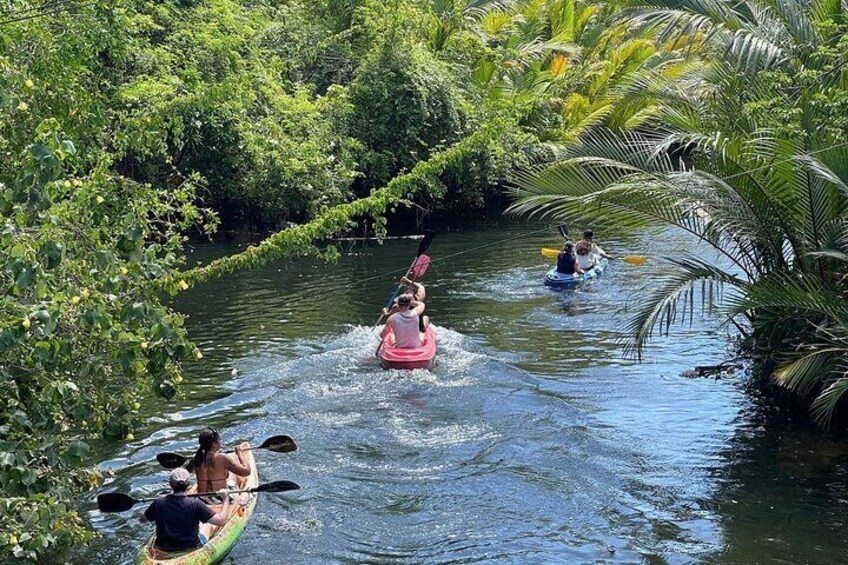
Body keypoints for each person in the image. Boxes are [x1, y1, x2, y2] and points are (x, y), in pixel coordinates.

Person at [141, 468, 230, 552]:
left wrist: (149, 509)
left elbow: (143, 520)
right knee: (207, 525)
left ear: (170, 484)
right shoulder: (196, 504)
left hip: (163, 547)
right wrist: (225, 499)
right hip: (191, 547)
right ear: (188, 485)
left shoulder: (158, 502)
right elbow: (221, 521)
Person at [192, 427, 251, 497]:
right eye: (220, 440)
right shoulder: (222, 458)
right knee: (233, 475)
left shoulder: (197, 458)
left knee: (229, 474)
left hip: (202, 498)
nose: (221, 442)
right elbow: (247, 472)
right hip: (219, 497)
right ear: (214, 444)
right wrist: (239, 453)